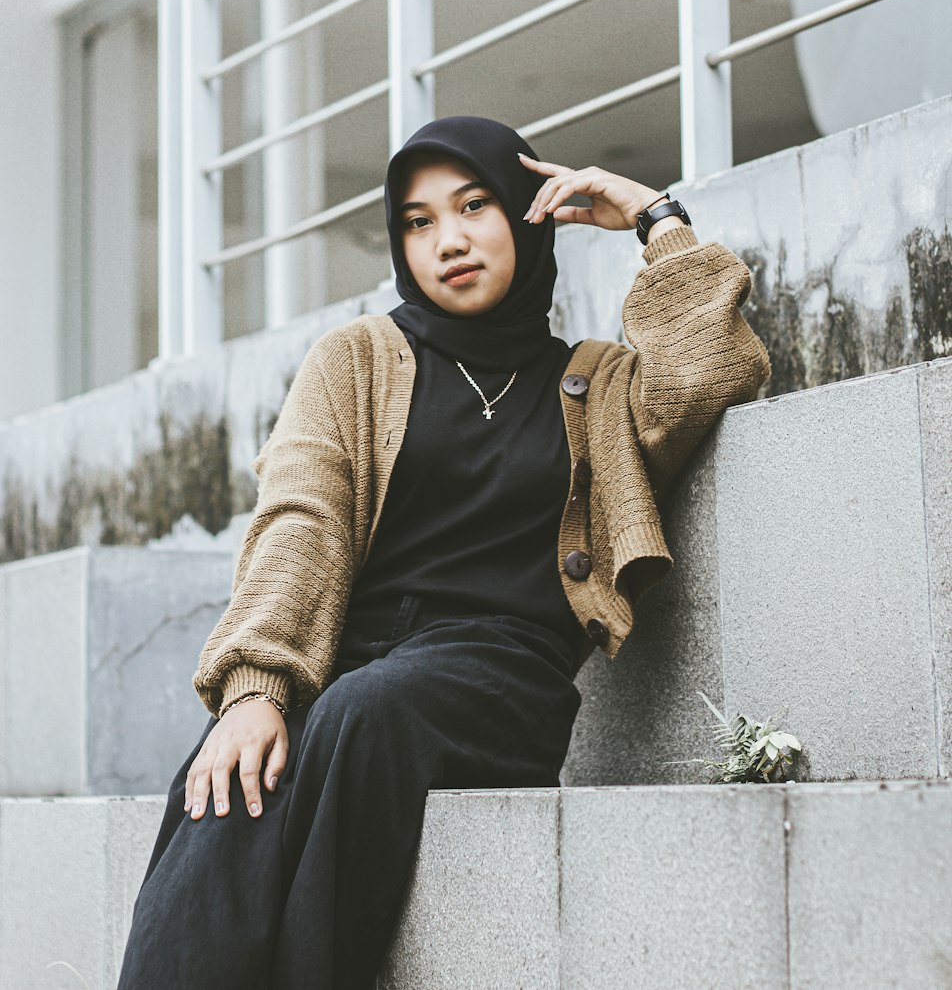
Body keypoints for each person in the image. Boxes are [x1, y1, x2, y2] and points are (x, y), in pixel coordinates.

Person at [116, 114, 771, 990]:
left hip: (502, 670)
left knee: (364, 712)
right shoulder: (356, 358)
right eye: (418, 222)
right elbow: (300, 516)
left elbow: (714, 372)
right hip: (352, 664)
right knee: (233, 775)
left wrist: (656, 218)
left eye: (474, 206)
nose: (448, 240)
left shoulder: (598, 380)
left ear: (527, 214)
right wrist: (255, 689)